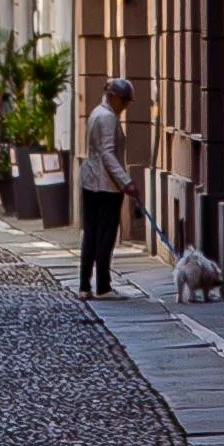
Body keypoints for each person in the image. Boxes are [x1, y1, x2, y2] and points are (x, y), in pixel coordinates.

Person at [79, 73, 136, 296]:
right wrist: (126, 182)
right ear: (114, 97)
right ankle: (103, 286)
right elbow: (108, 154)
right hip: (106, 185)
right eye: (124, 101)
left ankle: (85, 285)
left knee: (90, 234)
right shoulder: (108, 117)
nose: (125, 106)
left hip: (90, 182)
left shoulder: (96, 112)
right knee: (106, 236)